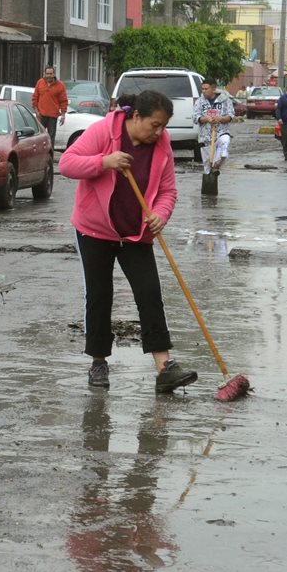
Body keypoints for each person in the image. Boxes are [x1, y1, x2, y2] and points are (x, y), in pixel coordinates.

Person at [58, 90, 198, 394]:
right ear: (136, 117)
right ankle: (98, 362)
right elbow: (67, 164)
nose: (159, 132)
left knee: (149, 293)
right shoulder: (104, 132)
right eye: (155, 125)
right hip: (94, 229)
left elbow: (168, 192)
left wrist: (160, 214)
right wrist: (104, 161)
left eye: (163, 126)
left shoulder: (161, 146)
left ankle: (165, 368)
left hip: (135, 233)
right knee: (100, 295)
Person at [192, 78, 233, 176]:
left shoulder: (225, 100)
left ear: (213, 89)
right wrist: (206, 119)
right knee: (207, 165)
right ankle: (209, 184)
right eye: (202, 89)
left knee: (224, 147)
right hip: (205, 136)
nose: (204, 91)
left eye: (206, 89)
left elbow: (231, 115)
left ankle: (216, 166)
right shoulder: (199, 102)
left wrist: (221, 119)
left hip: (221, 132)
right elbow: (195, 117)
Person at [31, 65, 69, 145]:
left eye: (51, 74)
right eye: (47, 74)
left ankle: (50, 155)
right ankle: (40, 156)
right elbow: (35, 98)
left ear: (54, 74)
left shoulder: (60, 85)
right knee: (39, 137)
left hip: (53, 117)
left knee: (51, 138)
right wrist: (36, 111)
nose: (49, 76)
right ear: (44, 73)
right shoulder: (40, 82)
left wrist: (63, 115)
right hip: (41, 115)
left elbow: (63, 101)